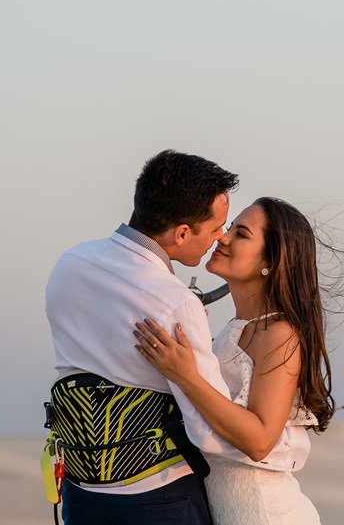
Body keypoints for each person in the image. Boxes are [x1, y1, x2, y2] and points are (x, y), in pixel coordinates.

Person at [45, 149, 254, 525]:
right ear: (182, 233)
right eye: (215, 227)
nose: (219, 238)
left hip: (80, 491)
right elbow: (207, 432)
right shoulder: (175, 302)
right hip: (158, 498)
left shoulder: (69, 263)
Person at [134, 197, 333, 525]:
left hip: (265, 513)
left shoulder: (279, 332)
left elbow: (260, 442)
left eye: (241, 234)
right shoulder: (233, 331)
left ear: (270, 260)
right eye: (228, 229)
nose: (222, 237)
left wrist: (186, 376)